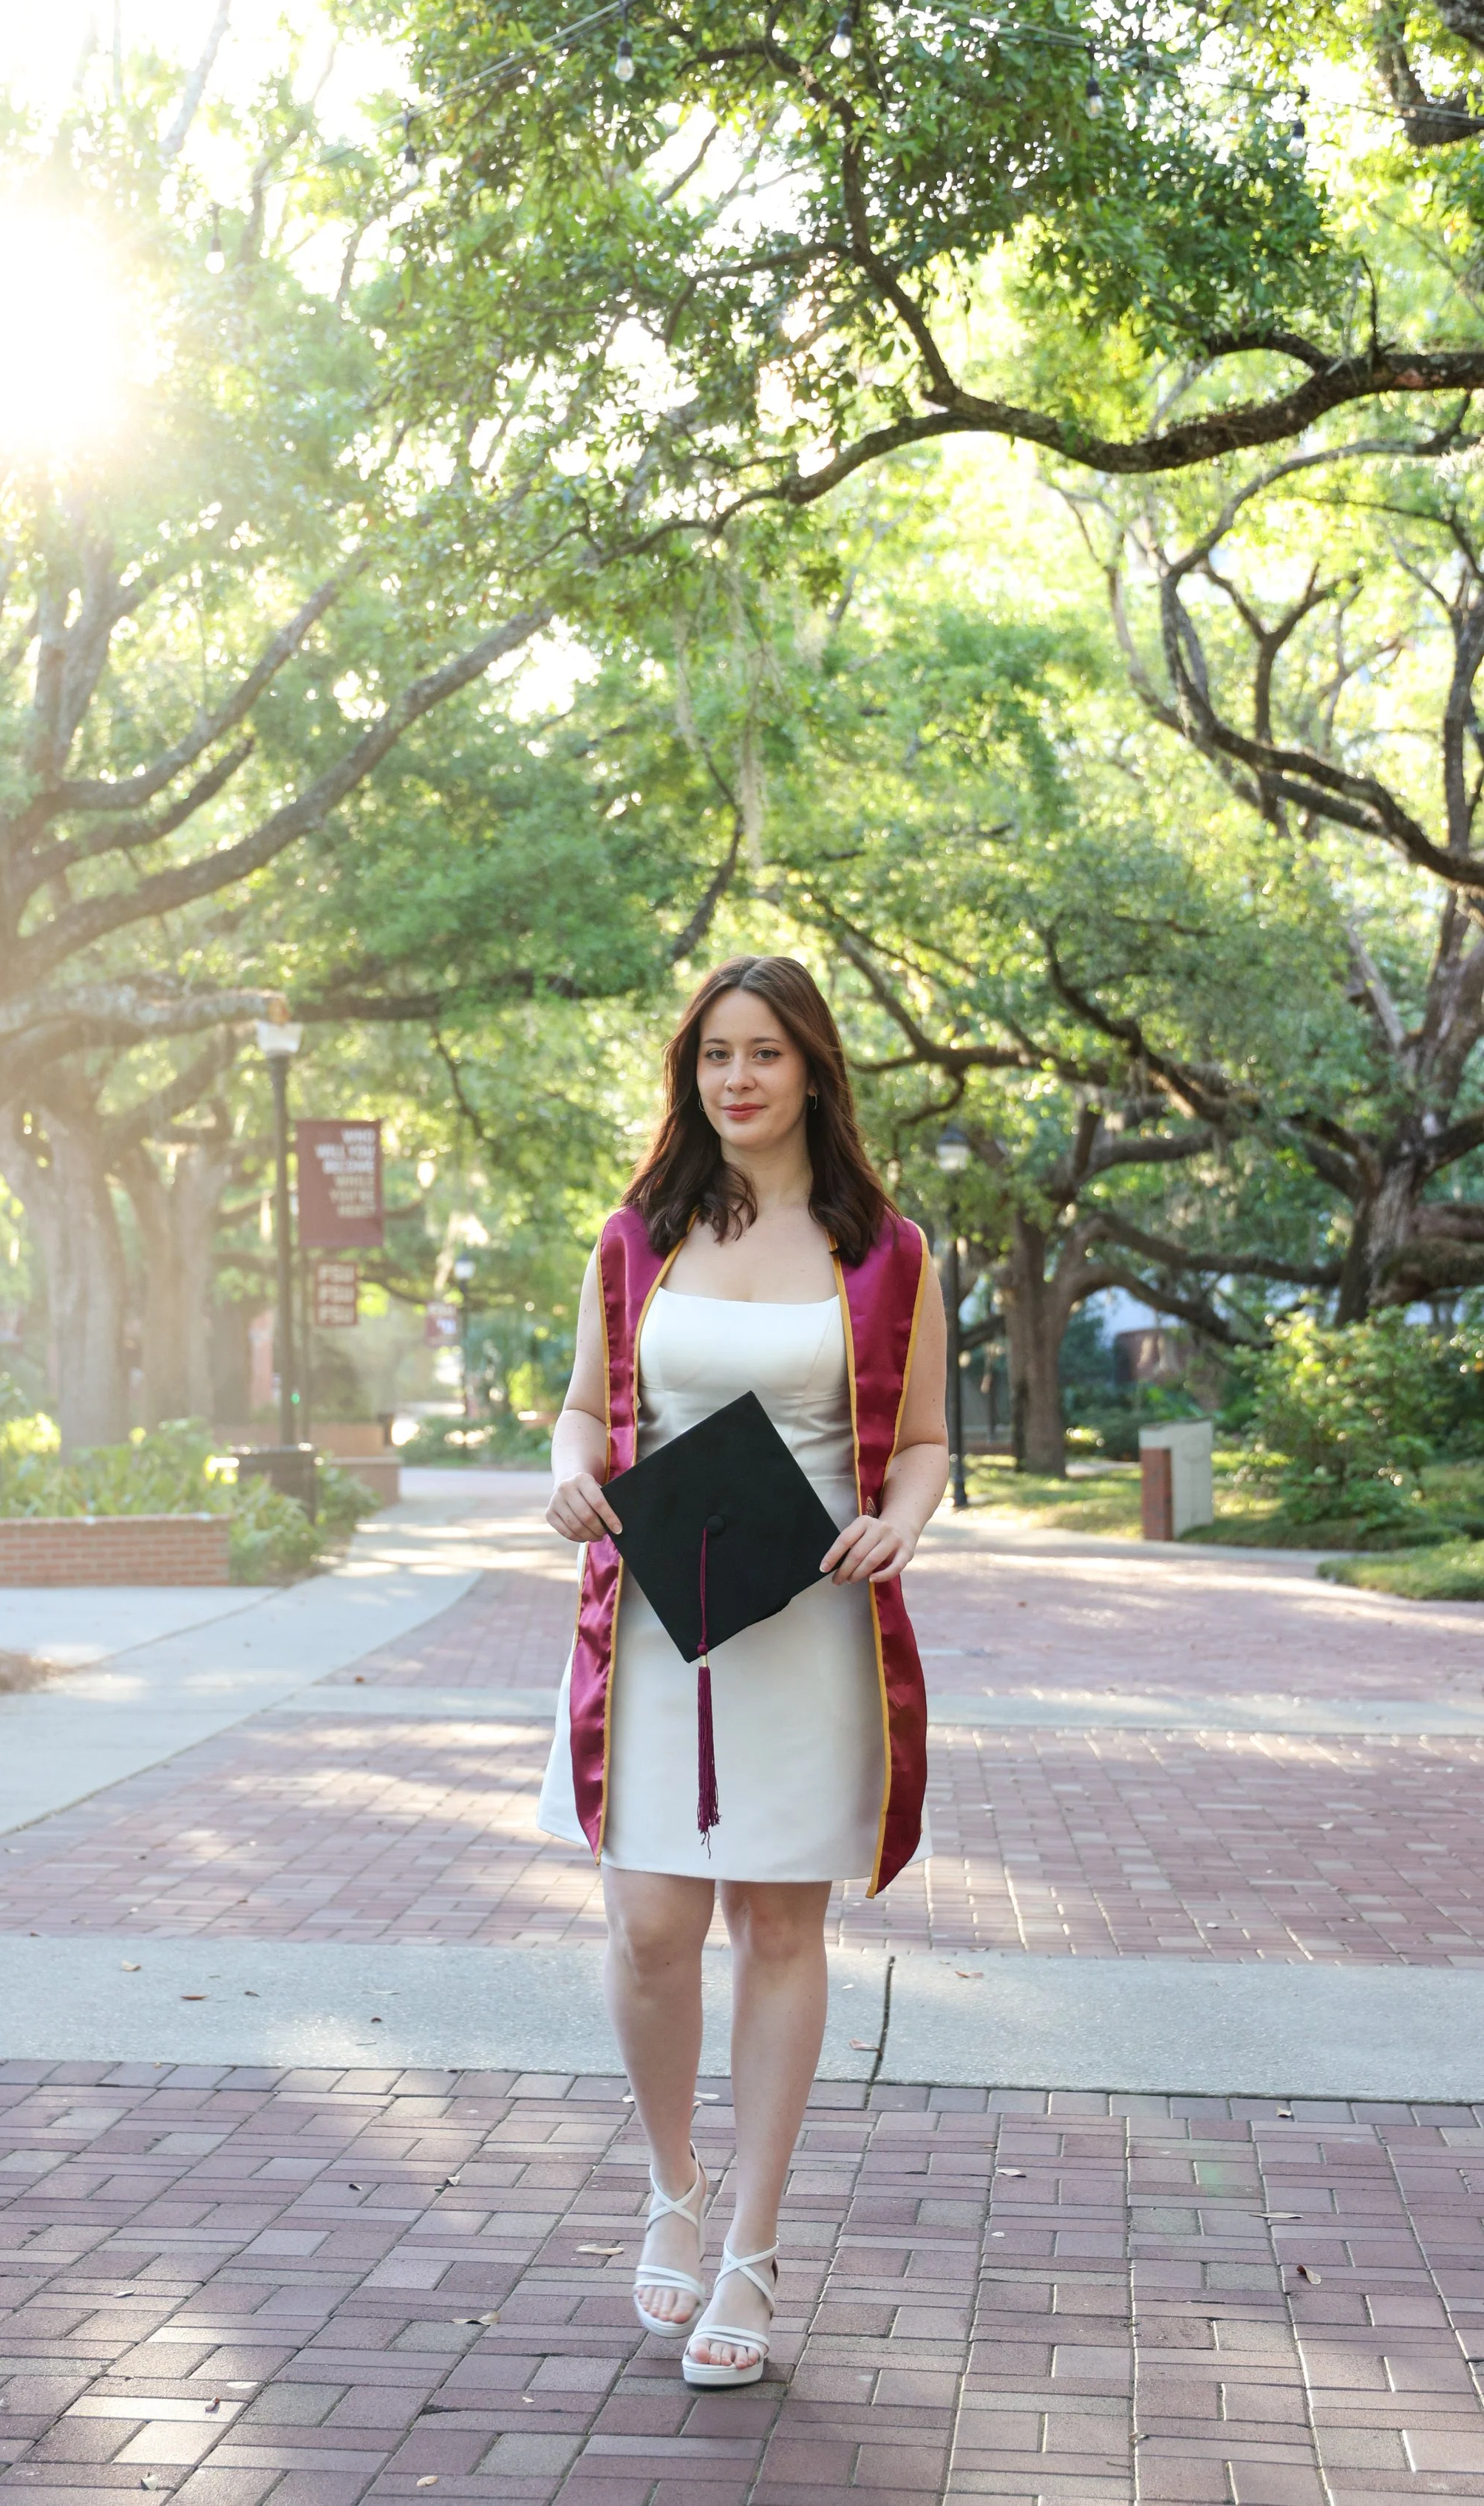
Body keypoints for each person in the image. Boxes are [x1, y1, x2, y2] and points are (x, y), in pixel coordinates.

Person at [536, 954, 948, 2387]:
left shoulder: (887, 1251)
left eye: (764, 1050)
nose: (737, 1077)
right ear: (690, 1072)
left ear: (813, 1068)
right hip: (656, 1624)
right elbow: (582, 1410)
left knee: (780, 1928)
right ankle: (674, 2182)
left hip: (810, 1621)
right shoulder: (633, 1239)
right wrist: (570, 1475)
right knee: (650, 1926)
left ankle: (753, 2251)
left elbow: (922, 1443)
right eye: (715, 1052)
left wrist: (900, 1522)